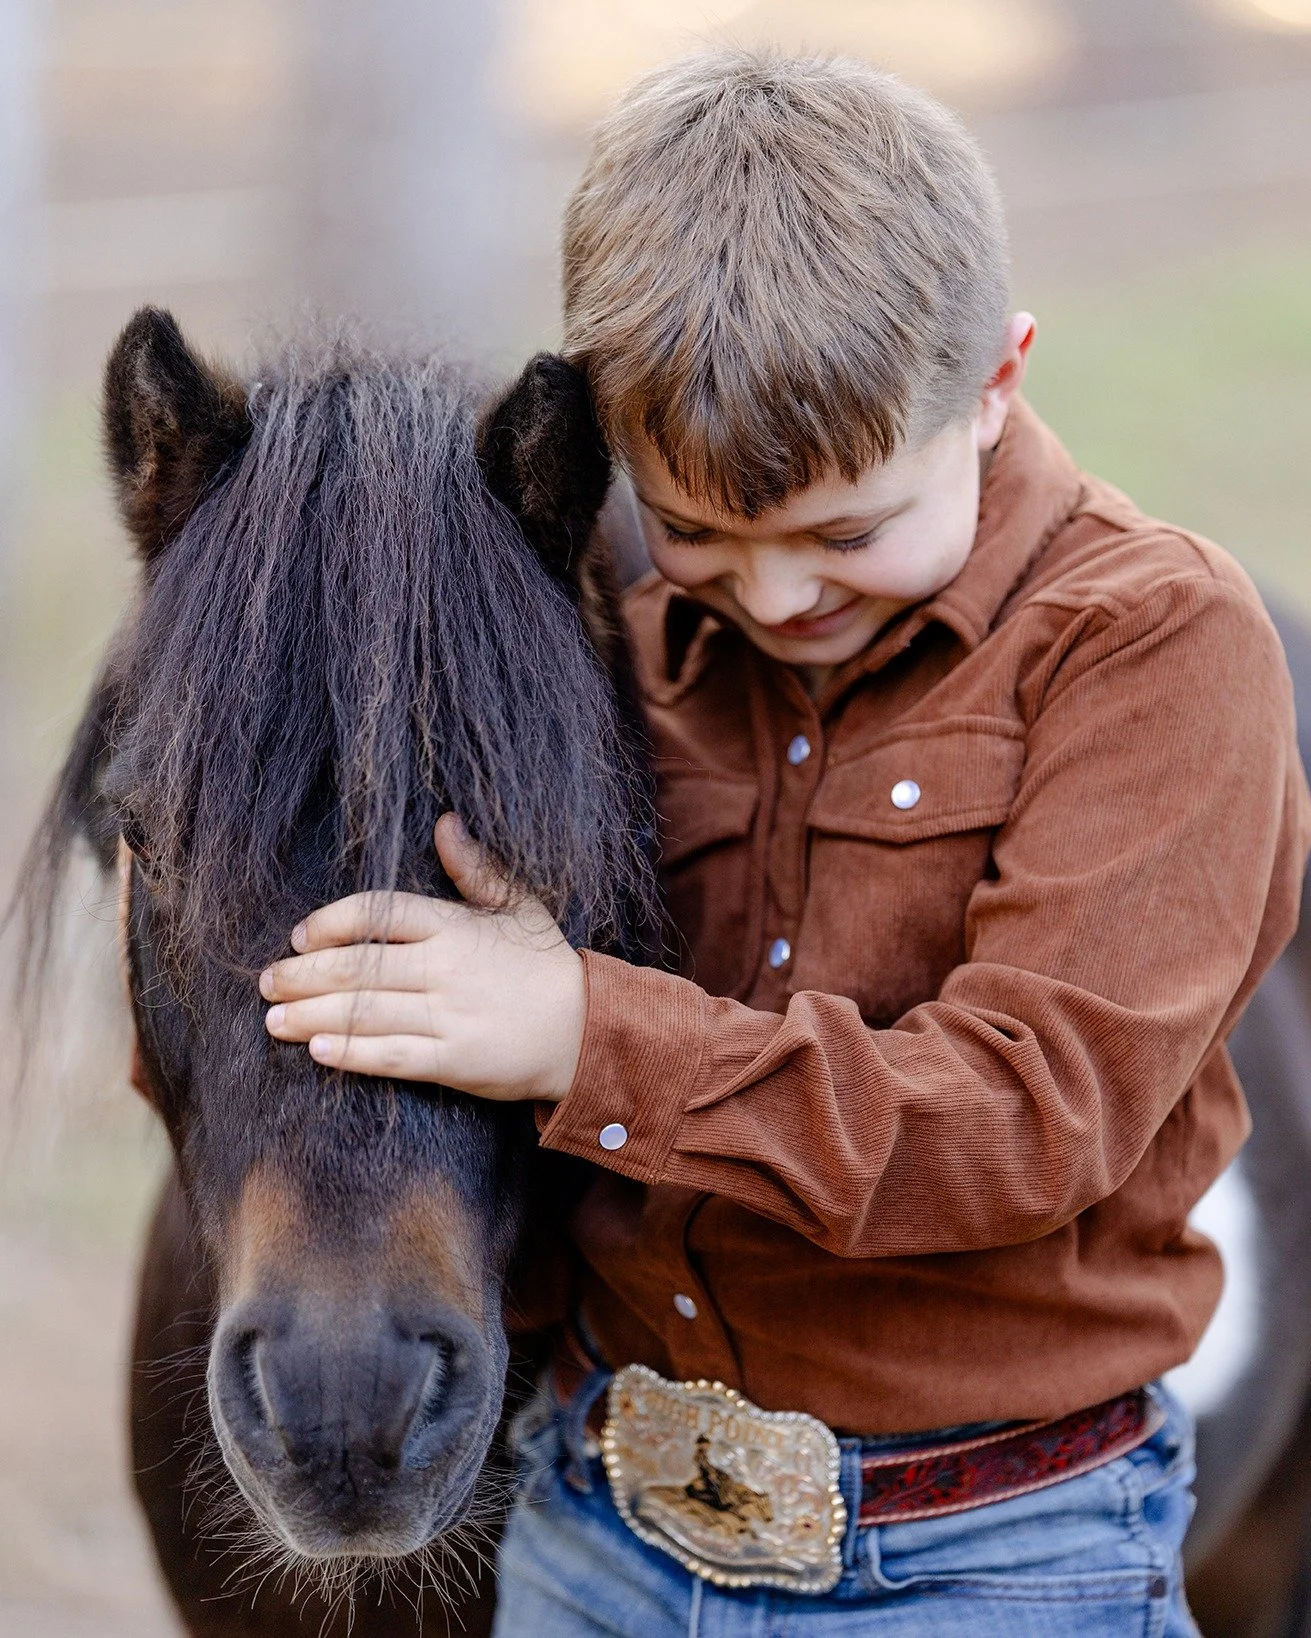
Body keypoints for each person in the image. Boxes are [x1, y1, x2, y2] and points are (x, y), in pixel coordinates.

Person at [257, 47, 1310, 1635]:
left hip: (990, 1548)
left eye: (844, 533)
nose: (769, 597)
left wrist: (582, 1032)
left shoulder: (1151, 647)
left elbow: (1034, 1109)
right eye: (695, 532)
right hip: (603, 1519)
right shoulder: (616, 631)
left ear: (995, 385)